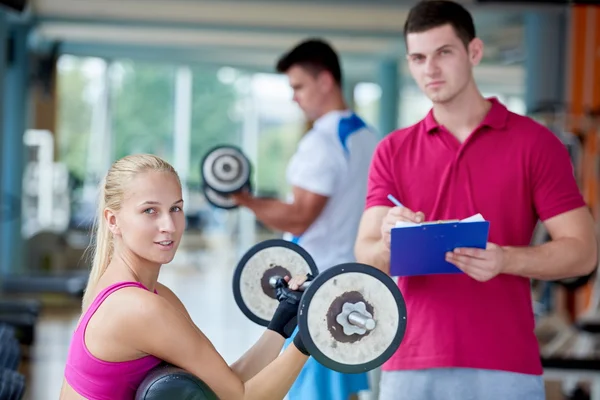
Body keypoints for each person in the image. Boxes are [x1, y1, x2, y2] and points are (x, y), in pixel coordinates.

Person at [353, 1, 598, 400]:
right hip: (410, 361)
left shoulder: (536, 144)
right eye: (418, 57)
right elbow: (366, 257)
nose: (429, 69)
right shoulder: (392, 151)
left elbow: (583, 252)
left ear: (474, 52)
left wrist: (506, 259)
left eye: (443, 53)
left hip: (505, 363)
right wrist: (386, 240)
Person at [59, 154, 312, 400]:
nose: (169, 225)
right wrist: (310, 338)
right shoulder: (138, 307)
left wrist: (282, 322)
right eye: (150, 211)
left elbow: (228, 385)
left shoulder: (153, 295)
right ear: (113, 221)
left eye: (176, 208)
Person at [230, 38, 379, 400]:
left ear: (325, 81)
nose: (294, 97)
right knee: (341, 385)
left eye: (298, 86)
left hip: (315, 289)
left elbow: (299, 217)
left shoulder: (323, 141)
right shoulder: (371, 138)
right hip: (354, 285)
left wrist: (243, 199)